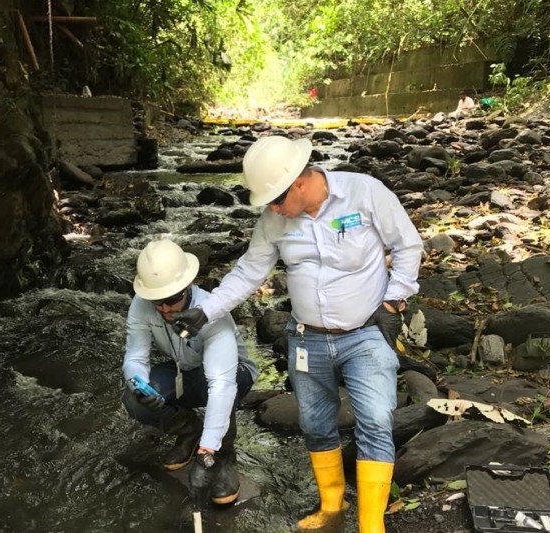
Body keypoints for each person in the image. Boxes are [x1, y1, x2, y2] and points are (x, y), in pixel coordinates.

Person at [173, 136, 423, 533]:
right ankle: (331, 508)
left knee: (375, 420)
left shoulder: (365, 193)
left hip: (366, 333)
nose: (272, 208)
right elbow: (249, 271)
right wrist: (205, 311)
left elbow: (407, 246)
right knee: (315, 423)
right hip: (306, 338)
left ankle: (372, 525)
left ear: (300, 183)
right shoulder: (274, 220)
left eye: (275, 199)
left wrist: (395, 300)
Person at [122, 239, 258, 508]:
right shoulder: (141, 304)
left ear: (187, 287)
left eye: (171, 300)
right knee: (133, 399)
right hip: (183, 371)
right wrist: (138, 383)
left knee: (215, 383)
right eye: (156, 301)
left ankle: (224, 455)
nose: (164, 309)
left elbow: (221, 384)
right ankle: (188, 428)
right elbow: (135, 357)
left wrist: (207, 454)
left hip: (232, 374)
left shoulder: (211, 310)